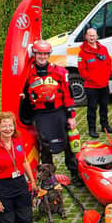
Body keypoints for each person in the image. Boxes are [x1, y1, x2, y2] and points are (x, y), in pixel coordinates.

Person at [23, 40, 82, 186]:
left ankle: (75, 173)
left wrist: (71, 116)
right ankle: (48, 177)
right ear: (34, 54)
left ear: (49, 55)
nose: (42, 57)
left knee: (68, 144)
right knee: (45, 146)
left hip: (58, 112)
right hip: (41, 114)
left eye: (45, 54)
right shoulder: (28, 74)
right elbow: (24, 94)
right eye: (39, 54)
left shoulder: (59, 72)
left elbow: (68, 95)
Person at [0, 111, 36, 223]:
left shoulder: (18, 142)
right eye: (4, 126)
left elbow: (25, 161)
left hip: (20, 183)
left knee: (26, 220)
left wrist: (32, 180)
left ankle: (14, 208)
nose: (8, 129)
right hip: (3, 185)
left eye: (10, 125)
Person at [77, 28, 112, 138]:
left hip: (104, 85)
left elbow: (109, 63)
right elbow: (82, 70)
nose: (92, 37)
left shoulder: (103, 49)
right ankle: (92, 129)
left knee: (104, 106)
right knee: (92, 108)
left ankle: (105, 126)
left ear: (97, 36)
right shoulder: (82, 52)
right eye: (90, 35)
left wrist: (106, 76)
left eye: (93, 35)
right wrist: (91, 79)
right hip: (91, 86)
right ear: (86, 37)